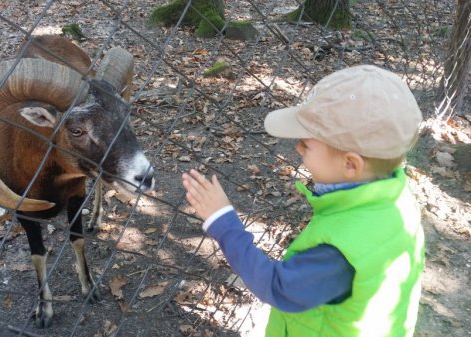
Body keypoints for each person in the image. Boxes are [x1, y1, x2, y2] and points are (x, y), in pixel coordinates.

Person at [181, 65, 425, 337]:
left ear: (350, 164)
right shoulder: (394, 197)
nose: (297, 147)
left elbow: (277, 287)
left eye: (306, 144)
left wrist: (222, 221)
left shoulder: (339, 253)